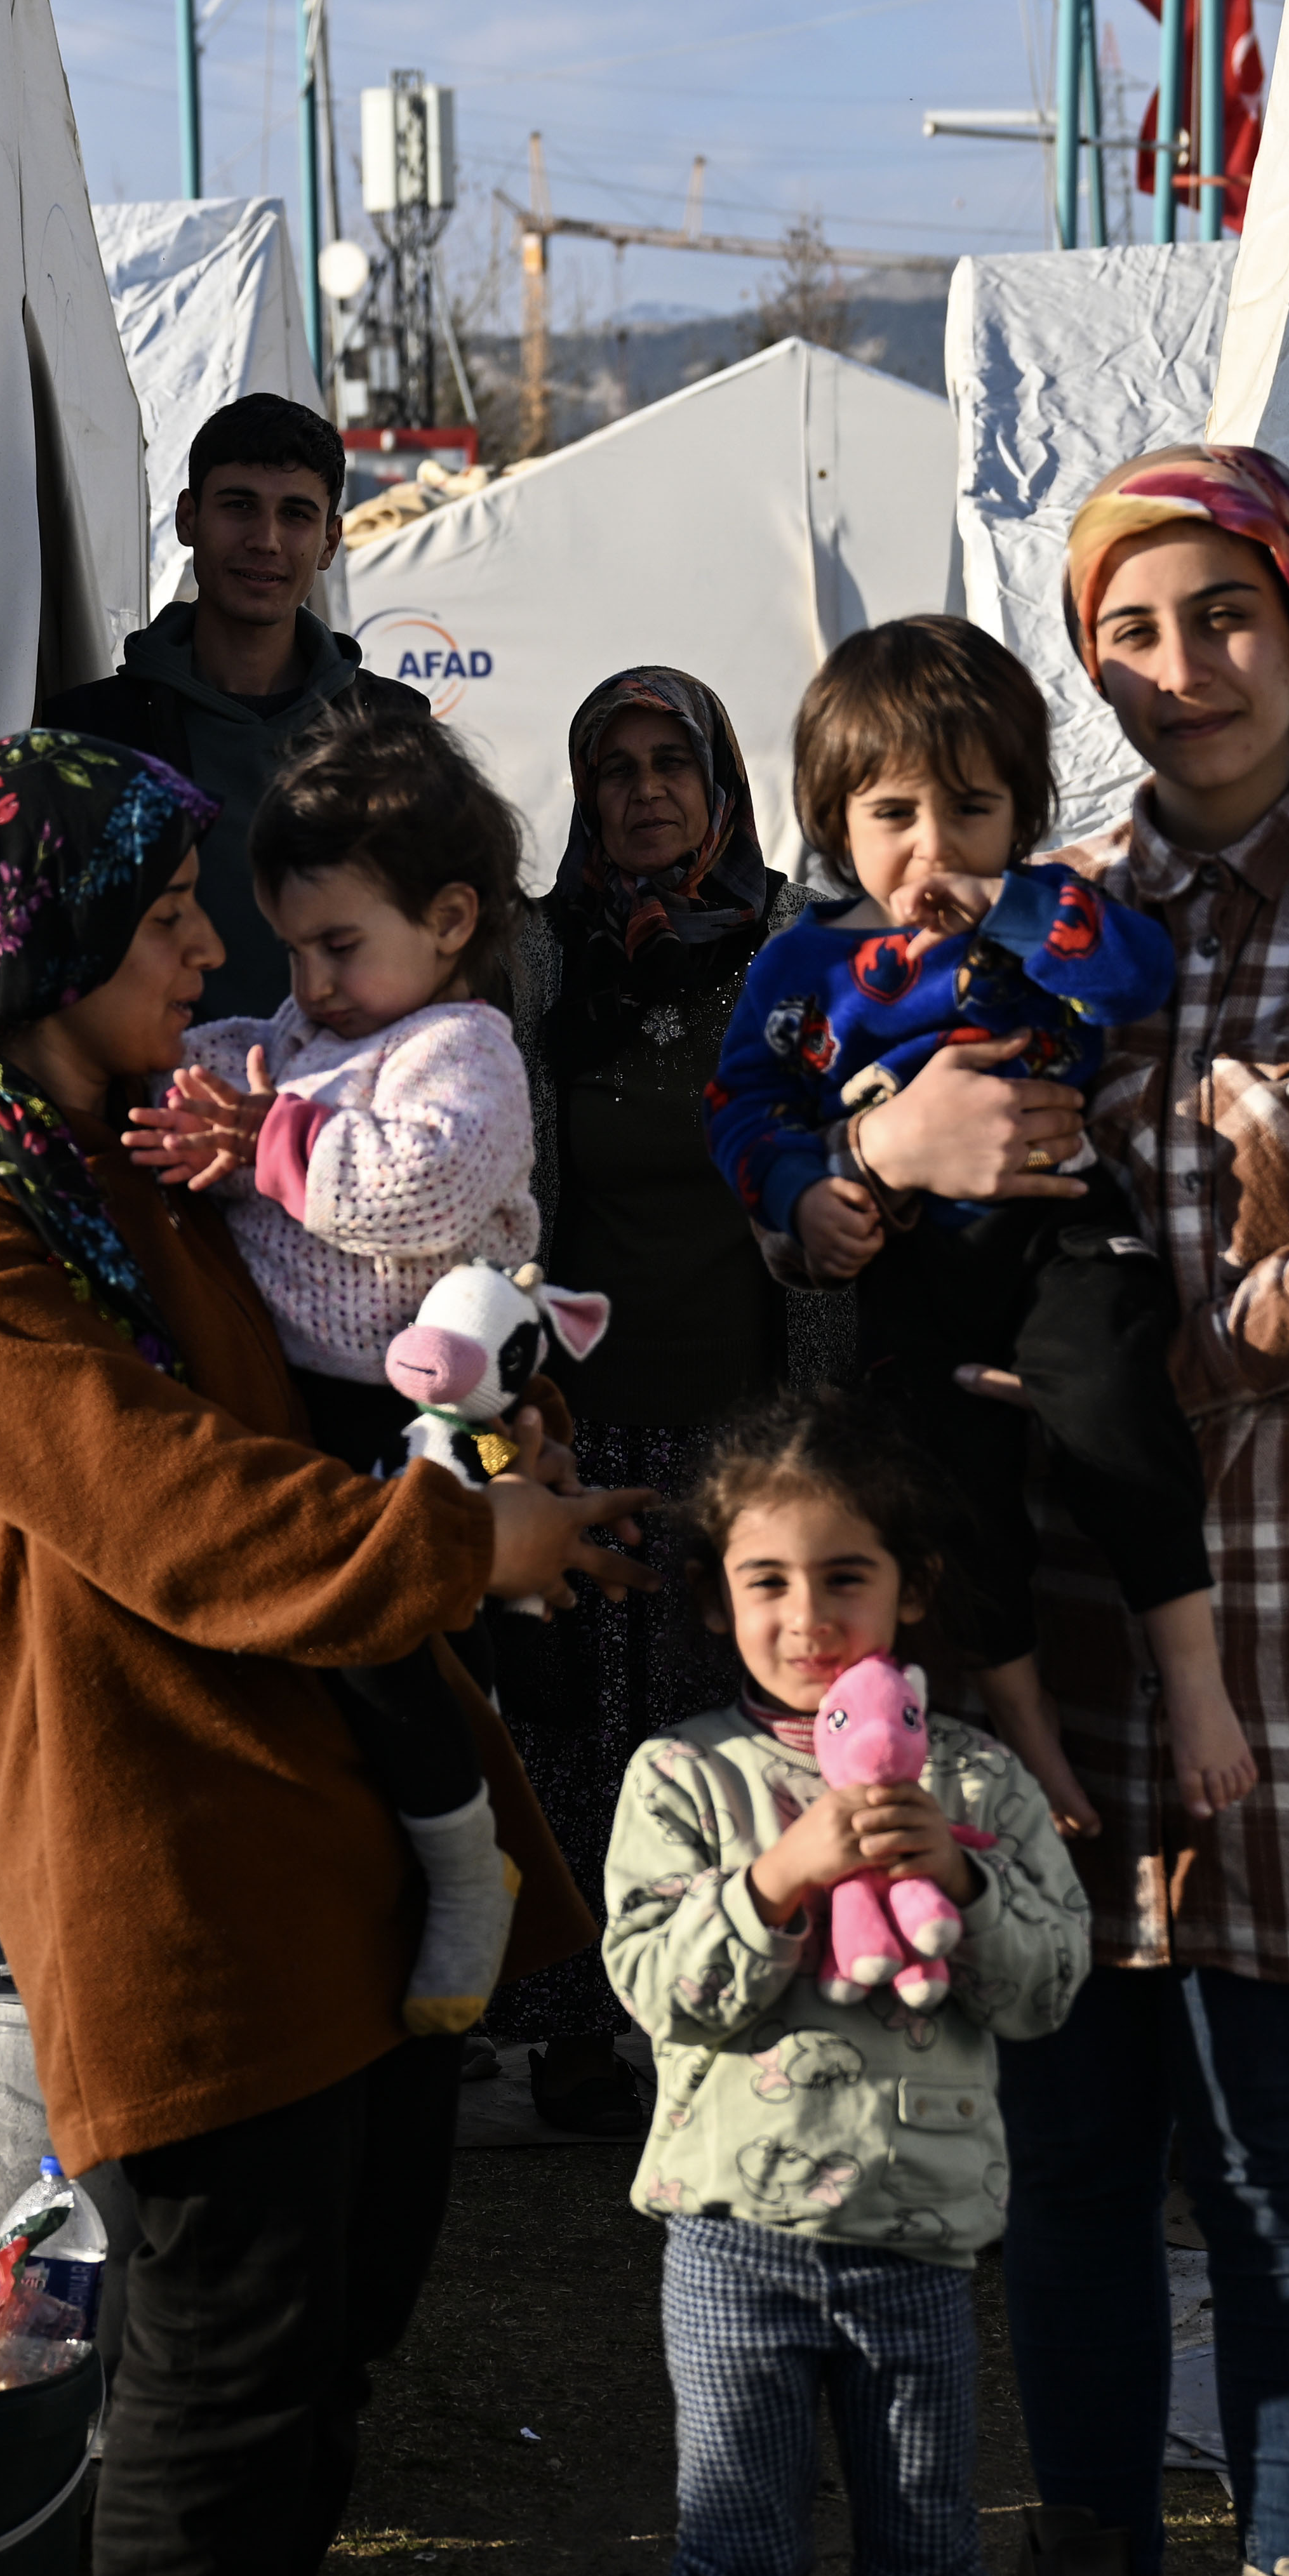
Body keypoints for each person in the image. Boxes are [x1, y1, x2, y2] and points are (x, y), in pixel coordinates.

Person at [0, 726, 644, 2576]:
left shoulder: (106, 1159)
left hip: (326, 1845)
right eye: (161, 919)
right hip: (178, 1870)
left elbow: (339, 1357)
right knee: (217, 2415)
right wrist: (458, 1555)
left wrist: (490, 1423)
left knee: (309, 2383)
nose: (204, 955)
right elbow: (172, 1508)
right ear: (32, 939)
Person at [861, 451, 1289, 2576]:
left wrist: (1166, 1365)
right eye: (1125, 633)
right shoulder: (1048, 901)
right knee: (1065, 2159)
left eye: (1214, 618)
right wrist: (878, 1144)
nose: (1172, 671)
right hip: (1058, 1628)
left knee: (1281, 2170)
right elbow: (852, 1090)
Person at [703, 618, 1234, 1839]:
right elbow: (743, 1108)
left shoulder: (1049, 919)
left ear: (1022, 812)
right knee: (951, 1492)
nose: (932, 847)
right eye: (893, 814)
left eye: (972, 811)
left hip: (1060, 1228)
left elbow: (1135, 978)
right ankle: (1027, 1727)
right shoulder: (799, 966)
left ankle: (1195, 1679)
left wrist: (1009, 905)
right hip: (916, 1264)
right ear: (835, 820)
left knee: (1115, 1404)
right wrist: (803, 1192)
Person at [603, 1390, 1090, 2576]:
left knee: (932, 2566)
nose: (807, 1615)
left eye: (844, 1576)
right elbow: (655, 1983)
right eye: (767, 1580)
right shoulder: (681, 1779)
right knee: (735, 2558)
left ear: (911, 1589)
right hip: (731, 2243)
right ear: (717, 1598)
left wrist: (970, 1889)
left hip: (917, 2242)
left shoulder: (978, 1783)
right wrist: (776, 1880)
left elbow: (1050, 1987)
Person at [126, 710, 551, 2036]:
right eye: (294, 947)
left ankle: (465, 1864)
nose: (309, 982)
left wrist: (267, 1141)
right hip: (301, 1404)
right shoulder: (295, 1047)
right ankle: (375, 1892)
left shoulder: (464, 1051)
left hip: (432, 1411)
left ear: (451, 918)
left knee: (393, 1655)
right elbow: (185, 1074)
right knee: (316, 1669)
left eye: (341, 946)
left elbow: (418, 1184)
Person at [493, 668, 810, 2134]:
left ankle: (713, 2016)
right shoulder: (544, 956)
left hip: (741, 1424)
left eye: (669, 760)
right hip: (574, 1417)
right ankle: (568, 2041)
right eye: (611, 765)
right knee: (571, 1735)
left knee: (721, 1733)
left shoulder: (787, 947)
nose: (641, 791)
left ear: (720, 783)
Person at [43, 392, 426, 1019]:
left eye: (296, 514)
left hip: (344, 1101)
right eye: (239, 505)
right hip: (150, 1104)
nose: (266, 539)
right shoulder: (88, 732)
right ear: (188, 517)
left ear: (330, 542)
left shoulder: (396, 730)